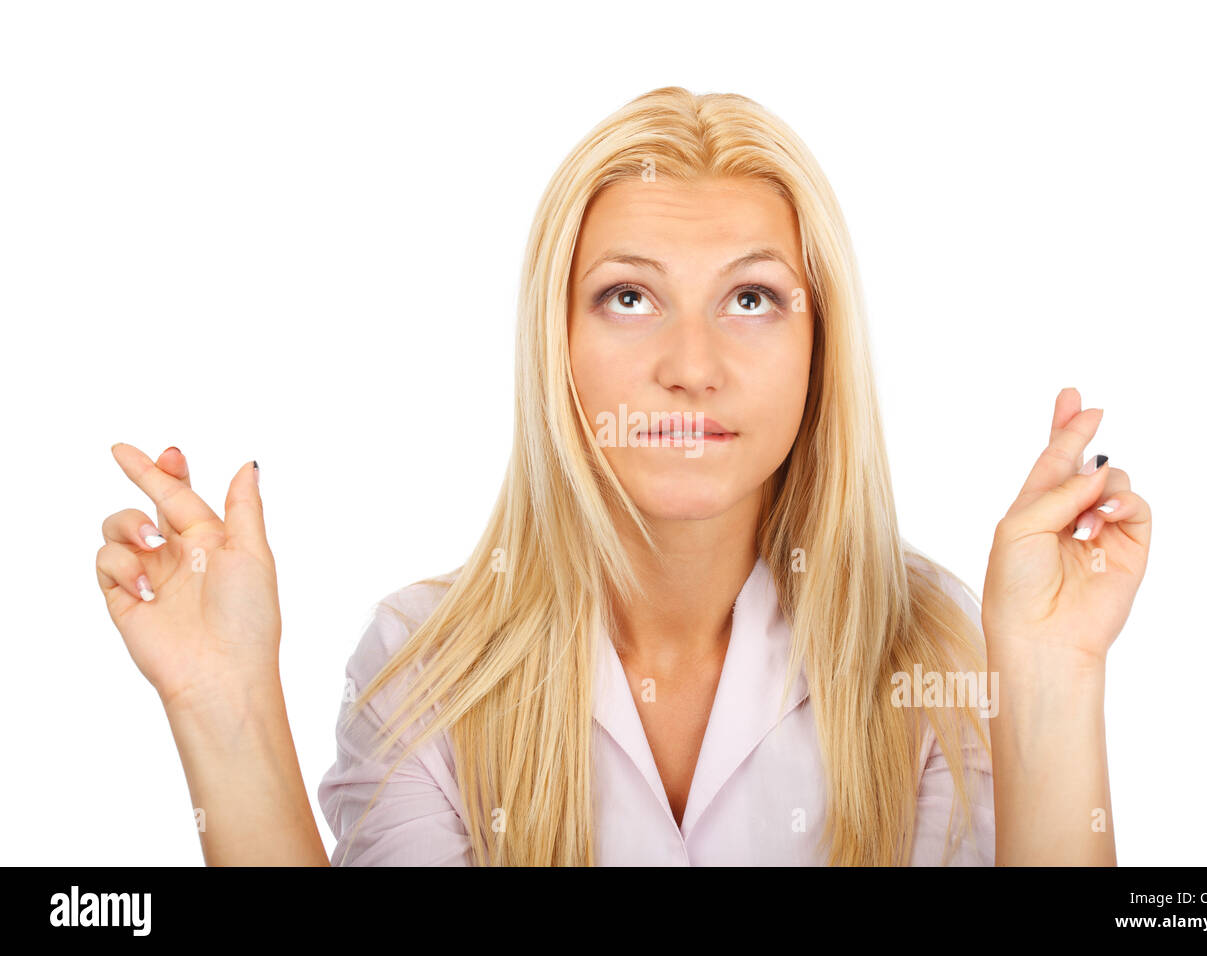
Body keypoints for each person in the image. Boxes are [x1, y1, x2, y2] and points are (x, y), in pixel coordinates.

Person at [95, 87, 1151, 866]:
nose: (690, 366)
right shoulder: (422, 665)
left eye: (751, 299)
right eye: (628, 298)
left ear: (819, 348)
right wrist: (224, 701)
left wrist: (1053, 673)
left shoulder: (930, 649)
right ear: (555, 344)